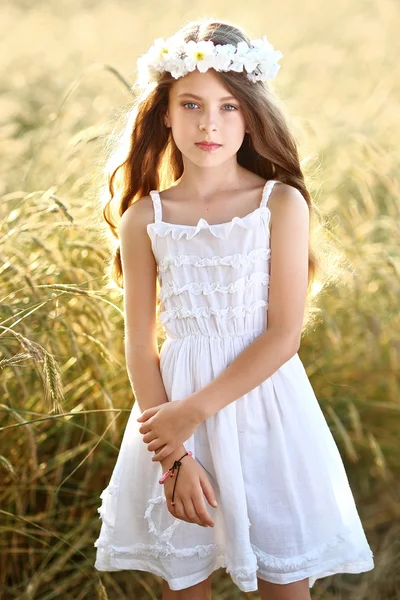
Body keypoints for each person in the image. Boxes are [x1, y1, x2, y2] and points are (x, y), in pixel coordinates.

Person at [93, 17, 374, 600]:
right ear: (165, 113)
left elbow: (281, 337)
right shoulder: (146, 218)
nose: (209, 124)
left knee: (284, 580)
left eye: (227, 107)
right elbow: (139, 348)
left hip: (266, 412)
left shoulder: (279, 204)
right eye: (191, 105)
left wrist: (191, 412)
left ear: (250, 114)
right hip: (171, 423)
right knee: (185, 579)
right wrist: (173, 455)